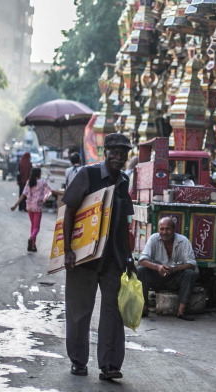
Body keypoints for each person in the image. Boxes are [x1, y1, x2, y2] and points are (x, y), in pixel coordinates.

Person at [61, 133, 134, 381]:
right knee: (79, 311)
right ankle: (78, 361)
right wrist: (67, 250)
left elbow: (126, 222)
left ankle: (110, 365)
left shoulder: (124, 181)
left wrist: (129, 256)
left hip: (113, 258)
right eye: (114, 152)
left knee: (113, 312)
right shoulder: (88, 175)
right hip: (83, 258)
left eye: (123, 153)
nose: (118, 157)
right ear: (106, 153)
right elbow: (69, 210)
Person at [137, 217, 198, 321]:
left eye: (168, 229)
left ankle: (181, 311)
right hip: (157, 276)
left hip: (175, 277)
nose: (165, 232)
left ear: (174, 230)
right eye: (162, 229)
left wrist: (175, 269)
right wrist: (158, 267)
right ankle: (144, 308)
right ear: (159, 229)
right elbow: (142, 260)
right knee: (141, 270)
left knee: (190, 273)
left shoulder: (183, 241)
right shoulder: (153, 239)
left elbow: (192, 263)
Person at [11, 168, 55, 252]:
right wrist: (44, 199)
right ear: (39, 174)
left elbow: (23, 194)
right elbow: (49, 192)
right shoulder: (42, 182)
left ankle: (33, 246)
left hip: (29, 207)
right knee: (36, 227)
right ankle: (31, 238)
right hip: (37, 207)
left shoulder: (29, 182)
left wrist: (15, 205)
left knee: (33, 226)